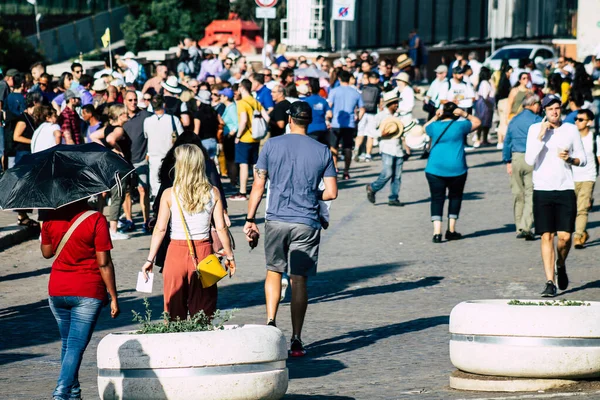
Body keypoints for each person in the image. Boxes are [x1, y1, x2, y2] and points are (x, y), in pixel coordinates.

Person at [243, 101, 338, 357]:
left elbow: (258, 185)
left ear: (289, 119)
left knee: (274, 271)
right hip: (306, 220)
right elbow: (331, 192)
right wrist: (310, 192)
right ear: (308, 121)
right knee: (299, 280)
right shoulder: (322, 150)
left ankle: (271, 323)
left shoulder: (271, 145)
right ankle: (296, 338)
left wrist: (250, 218)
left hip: (276, 218)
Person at [142, 144, 235, 321]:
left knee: (174, 309)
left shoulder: (169, 194)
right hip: (205, 252)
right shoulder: (213, 192)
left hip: (175, 253)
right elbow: (221, 228)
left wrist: (150, 259)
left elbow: (160, 229)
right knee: (204, 310)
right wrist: (229, 256)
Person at [41, 199, 119, 400]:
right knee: (75, 345)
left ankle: (73, 393)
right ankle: (61, 392)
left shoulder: (50, 217)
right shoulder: (96, 219)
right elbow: (104, 263)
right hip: (87, 289)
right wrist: (113, 296)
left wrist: (46, 228)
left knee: (68, 345)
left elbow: (46, 253)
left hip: (57, 290)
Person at [525, 95, 587, 297]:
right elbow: (528, 159)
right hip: (542, 189)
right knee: (546, 235)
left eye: (557, 108)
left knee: (565, 237)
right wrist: (540, 136)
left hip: (565, 188)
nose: (554, 111)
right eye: (550, 108)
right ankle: (549, 281)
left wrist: (570, 159)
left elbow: (583, 159)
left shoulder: (570, 129)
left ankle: (561, 263)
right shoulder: (535, 129)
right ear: (544, 110)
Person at [423, 102, 481, 243]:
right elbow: (477, 122)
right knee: (455, 197)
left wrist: (435, 117)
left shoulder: (435, 127)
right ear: (455, 113)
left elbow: (424, 128)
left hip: (434, 168)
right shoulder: (461, 126)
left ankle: (437, 233)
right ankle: (451, 230)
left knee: (437, 199)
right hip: (457, 168)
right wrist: (464, 114)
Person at [503, 94, 542, 241]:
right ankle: (526, 226)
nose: (539, 107)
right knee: (530, 193)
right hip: (531, 158)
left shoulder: (514, 120)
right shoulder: (537, 120)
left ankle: (519, 226)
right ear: (532, 104)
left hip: (516, 158)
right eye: (538, 103)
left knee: (517, 194)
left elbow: (507, 141)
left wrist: (507, 160)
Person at [366, 91, 409, 206]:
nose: (396, 105)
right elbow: (369, 130)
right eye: (394, 103)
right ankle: (372, 187)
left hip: (398, 148)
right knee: (388, 173)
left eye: (396, 102)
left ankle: (393, 198)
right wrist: (381, 133)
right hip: (386, 148)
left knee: (397, 176)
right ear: (389, 104)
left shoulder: (399, 116)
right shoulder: (380, 116)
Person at [231, 79, 270, 201]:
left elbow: (243, 121)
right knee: (254, 164)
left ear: (242, 88)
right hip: (256, 137)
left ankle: (242, 192)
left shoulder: (242, 103)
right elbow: (267, 117)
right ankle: (256, 187)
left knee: (243, 165)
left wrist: (238, 136)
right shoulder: (255, 101)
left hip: (245, 137)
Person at [123, 90, 153, 233]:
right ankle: (129, 220)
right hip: (125, 161)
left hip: (141, 159)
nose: (133, 102)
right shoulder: (121, 117)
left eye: (135, 99)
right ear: (124, 101)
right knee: (127, 191)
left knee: (143, 189)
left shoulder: (145, 115)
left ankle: (146, 221)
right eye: (130, 100)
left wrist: (148, 155)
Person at [144, 94, 184, 198]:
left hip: (155, 156)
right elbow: (181, 137)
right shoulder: (173, 119)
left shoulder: (147, 121)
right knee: (171, 181)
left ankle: (157, 205)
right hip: (169, 156)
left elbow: (146, 136)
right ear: (164, 104)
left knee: (156, 183)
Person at [103, 104, 132, 241]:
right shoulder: (119, 129)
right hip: (118, 168)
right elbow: (110, 139)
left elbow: (93, 135)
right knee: (117, 197)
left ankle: (113, 228)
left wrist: (107, 150)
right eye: (125, 113)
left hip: (111, 167)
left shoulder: (107, 128)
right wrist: (118, 148)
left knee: (116, 196)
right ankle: (113, 230)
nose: (127, 115)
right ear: (119, 115)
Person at [328, 70, 365, 180]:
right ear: (349, 79)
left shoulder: (334, 91)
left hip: (336, 123)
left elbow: (329, 105)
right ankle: (346, 171)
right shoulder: (355, 92)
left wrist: (329, 118)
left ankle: (334, 168)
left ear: (339, 78)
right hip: (349, 123)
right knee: (347, 148)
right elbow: (362, 109)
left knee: (333, 147)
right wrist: (358, 119)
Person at [571, 109, 599, 249]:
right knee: (572, 209)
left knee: (582, 209)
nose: (577, 121)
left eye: (581, 119)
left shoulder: (595, 138)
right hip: (571, 177)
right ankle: (583, 232)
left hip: (588, 177)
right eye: (576, 119)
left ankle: (577, 236)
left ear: (589, 122)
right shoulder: (571, 137)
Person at [354, 72, 382, 162]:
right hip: (372, 113)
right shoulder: (378, 89)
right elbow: (380, 104)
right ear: (377, 80)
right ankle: (368, 154)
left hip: (363, 112)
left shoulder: (363, 87)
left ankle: (356, 150)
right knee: (370, 135)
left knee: (360, 133)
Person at [304, 78, 331, 145]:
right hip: (322, 128)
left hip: (311, 129)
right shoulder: (323, 100)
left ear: (310, 88)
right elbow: (330, 114)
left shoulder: (307, 101)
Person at [473, 67, 495, 147]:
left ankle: (481, 139)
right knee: (484, 122)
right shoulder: (485, 83)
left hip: (481, 103)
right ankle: (482, 139)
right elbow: (485, 96)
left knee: (482, 121)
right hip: (485, 104)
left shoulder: (481, 83)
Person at [496, 63, 514, 149]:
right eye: (511, 72)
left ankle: (500, 141)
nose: (511, 73)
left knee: (501, 121)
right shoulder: (506, 81)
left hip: (500, 102)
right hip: (505, 102)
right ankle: (502, 141)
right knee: (505, 121)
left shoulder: (501, 80)